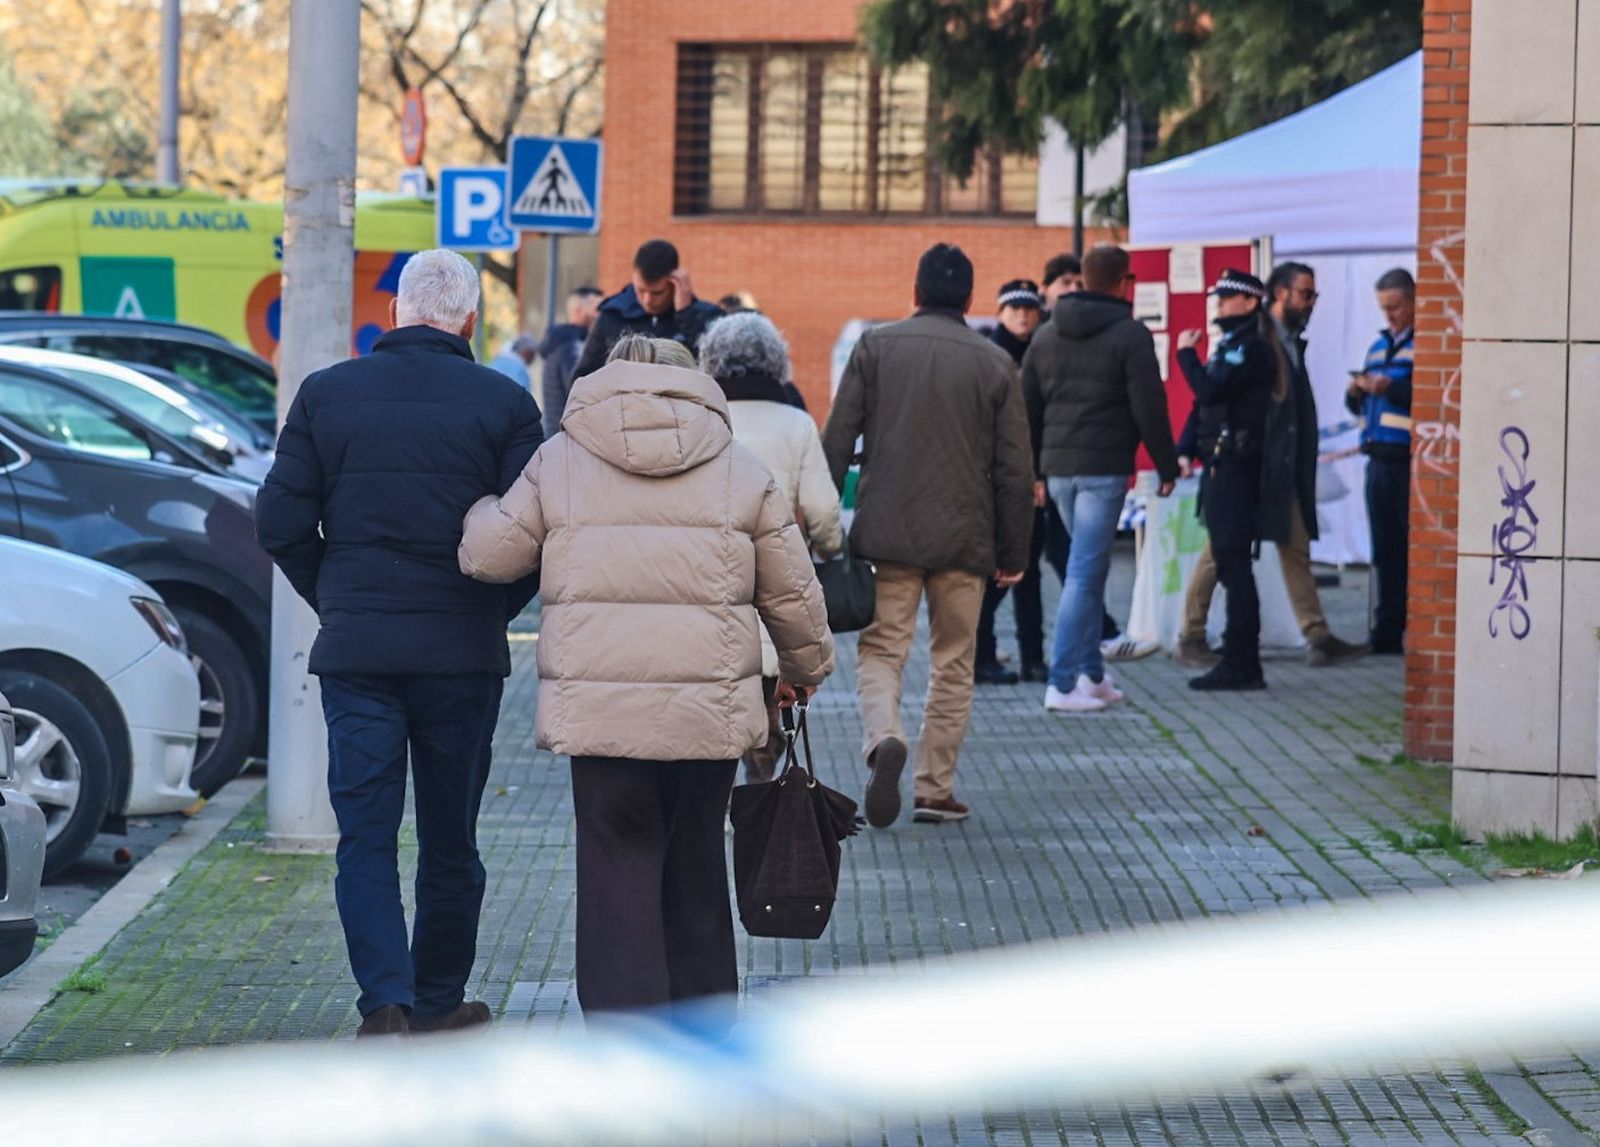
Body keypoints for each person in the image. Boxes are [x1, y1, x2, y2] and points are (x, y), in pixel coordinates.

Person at [458, 334, 833, 1029]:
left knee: (614, 866)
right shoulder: (738, 467)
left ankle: (627, 1038)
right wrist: (805, 669)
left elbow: (488, 555)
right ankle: (704, 1028)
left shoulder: (561, 459)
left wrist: (478, 504)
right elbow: (794, 592)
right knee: (694, 862)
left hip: (602, 716)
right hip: (708, 714)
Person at [255, 250, 543, 1039]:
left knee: (367, 837)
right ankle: (440, 996)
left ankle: (385, 999)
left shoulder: (325, 395)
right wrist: (488, 608)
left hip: (360, 659)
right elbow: (536, 536)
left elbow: (278, 522)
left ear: (395, 315)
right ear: (472, 323)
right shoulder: (506, 404)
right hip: (461, 655)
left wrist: (339, 598)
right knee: (451, 839)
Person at [822, 244, 1034, 827]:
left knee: (884, 650)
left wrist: (818, 523)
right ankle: (934, 789)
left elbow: (837, 440)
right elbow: (1017, 468)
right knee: (954, 662)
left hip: (887, 534)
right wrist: (1015, 551)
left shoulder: (875, 347)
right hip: (967, 539)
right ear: (970, 299)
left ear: (914, 294)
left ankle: (882, 737)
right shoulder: (995, 364)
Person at [1174, 263, 1370, 669]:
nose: (1311, 302)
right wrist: (1186, 446)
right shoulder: (1255, 339)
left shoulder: (1287, 341)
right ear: (1279, 294)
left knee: (1294, 544)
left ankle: (1316, 633)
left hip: (1282, 465)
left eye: (1313, 294)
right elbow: (1211, 397)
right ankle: (1191, 634)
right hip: (1255, 465)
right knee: (1222, 548)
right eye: (1305, 294)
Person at [1022, 244, 1179, 715]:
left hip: (1058, 468)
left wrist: (1033, 471)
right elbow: (1149, 406)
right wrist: (1167, 467)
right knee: (1084, 573)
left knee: (1087, 571)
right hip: (1102, 468)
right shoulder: (1130, 334)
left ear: (1084, 279)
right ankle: (1062, 682)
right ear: (1122, 282)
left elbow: (1026, 406)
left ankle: (1091, 674)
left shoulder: (1046, 335)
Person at [698, 310, 843, 780]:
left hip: (707, 577)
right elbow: (822, 511)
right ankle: (761, 776)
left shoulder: (700, 417)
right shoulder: (796, 423)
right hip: (776, 577)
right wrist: (832, 546)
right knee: (770, 686)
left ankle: (715, 787)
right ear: (777, 362)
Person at [1175, 270, 1280, 691]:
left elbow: (1211, 391)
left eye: (1228, 296)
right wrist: (1185, 446)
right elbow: (1207, 409)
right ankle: (1239, 659)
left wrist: (1185, 356)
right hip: (1221, 465)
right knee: (1230, 562)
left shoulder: (1250, 347)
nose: (1218, 302)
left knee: (1234, 566)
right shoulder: (1233, 345)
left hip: (1237, 467)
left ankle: (1242, 663)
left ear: (1251, 302)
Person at [974, 278, 1064, 685]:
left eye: (1029, 308)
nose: (1023, 315)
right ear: (999, 313)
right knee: (998, 573)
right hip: (998, 481)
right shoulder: (989, 356)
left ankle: (1032, 657)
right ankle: (981, 654)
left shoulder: (1046, 351)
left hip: (1036, 479)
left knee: (1029, 573)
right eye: (1014, 309)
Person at [1347, 268, 1414, 655]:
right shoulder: (1377, 347)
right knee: (1384, 550)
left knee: (1408, 548)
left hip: (1408, 460)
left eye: (1395, 307)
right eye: (1383, 308)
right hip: (1377, 459)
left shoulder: (1426, 344)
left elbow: (1432, 394)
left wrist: (1395, 387)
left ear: (1414, 301)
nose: (1389, 315)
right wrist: (1356, 391)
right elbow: (1358, 405)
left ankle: (1409, 628)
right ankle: (1385, 633)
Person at [570, 238, 725, 380]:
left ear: (675, 282)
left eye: (657, 293)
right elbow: (582, 380)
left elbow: (716, 372)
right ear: (633, 279)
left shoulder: (708, 317)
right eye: (641, 290)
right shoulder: (612, 316)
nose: (647, 300)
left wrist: (686, 315)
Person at [538, 286, 603, 440]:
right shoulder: (573, 348)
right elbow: (580, 393)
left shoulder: (561, 344)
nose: (601, 315)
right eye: (597, 308)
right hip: (569, 440)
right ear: (579, 311)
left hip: (559, 437)